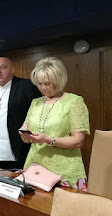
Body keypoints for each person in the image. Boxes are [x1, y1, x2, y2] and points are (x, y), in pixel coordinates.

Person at [19, 57, 90, 191]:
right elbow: (26, 131)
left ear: (59, 80)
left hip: (64, 171)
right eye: (39, 84)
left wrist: (47, 140)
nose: (43, 88)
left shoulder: (74, 101)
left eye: (47, 83)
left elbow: (78, 141)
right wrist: (25, 134)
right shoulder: (36, 102)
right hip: (35, 168)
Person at [0, 57, 41, 169]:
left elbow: (38, 114)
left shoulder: (26, 86)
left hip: (19, 147)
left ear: (12, 69)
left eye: (3, 67)